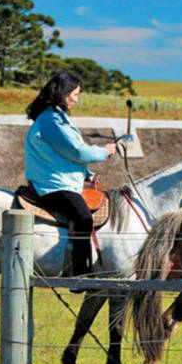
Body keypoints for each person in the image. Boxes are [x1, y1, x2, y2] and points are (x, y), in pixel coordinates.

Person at [24, 70, 117, 279]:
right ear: (63, 93)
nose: (76, 99)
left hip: (61, 180)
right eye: (74, 94)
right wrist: (105, 151)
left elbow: (64, 155)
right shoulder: (52, 120)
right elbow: (77, 151)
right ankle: (80, 275)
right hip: (52, 185)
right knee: (84, 218)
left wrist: (87, 174)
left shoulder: (56, 118)